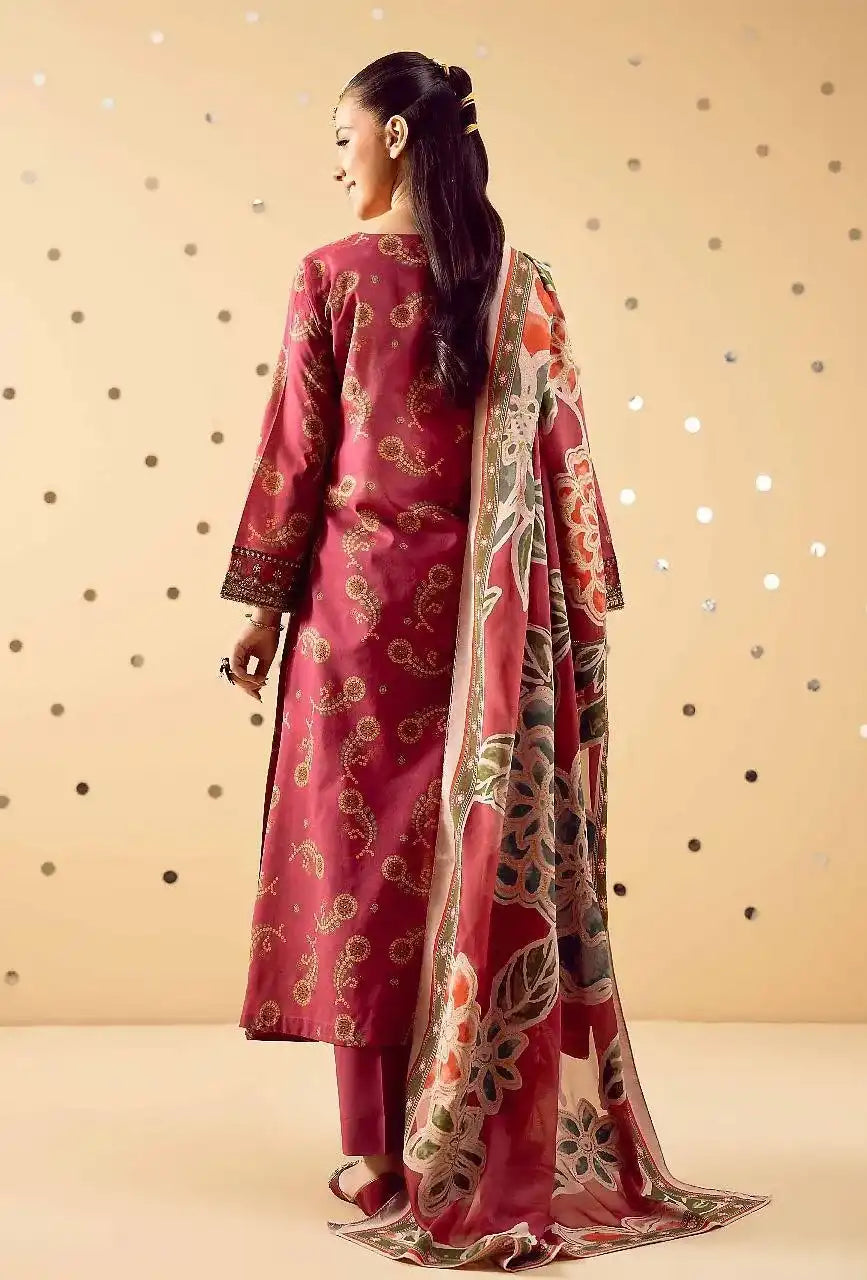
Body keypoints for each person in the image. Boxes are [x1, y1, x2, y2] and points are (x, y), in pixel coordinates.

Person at [219, 52, 771, 1270]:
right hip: (498, 629)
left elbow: (297, 456)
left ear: (396, 136)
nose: (337, 160)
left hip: (358, 622)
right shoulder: (524, 283)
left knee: (361, 877)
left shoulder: (331, 276)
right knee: (469, 867)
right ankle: (456, 1137)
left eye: (344, 133)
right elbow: (567, 456)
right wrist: (579, 612)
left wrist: (259, 610)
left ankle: (376, 1152)